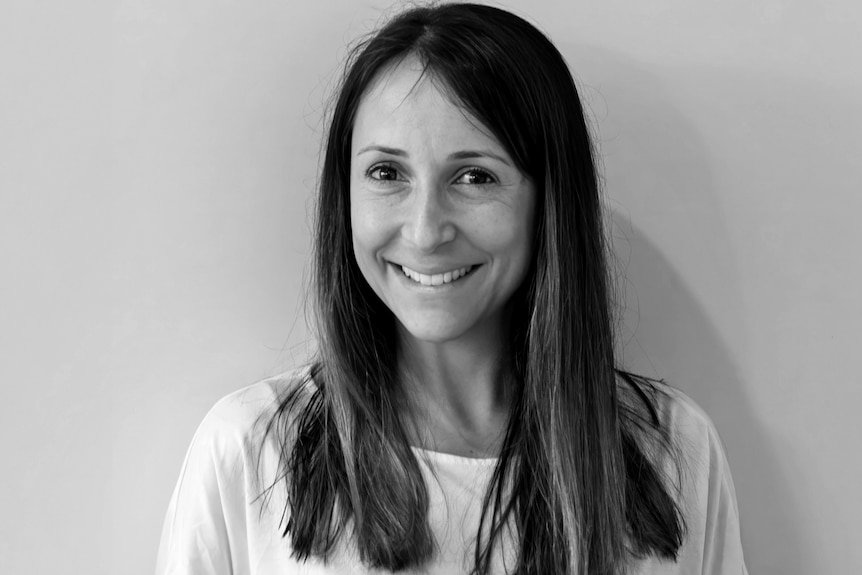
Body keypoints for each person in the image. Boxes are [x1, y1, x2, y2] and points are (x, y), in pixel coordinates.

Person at [155, 3, 748, 574]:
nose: (425, 231)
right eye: (387, 173)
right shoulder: (247, 452)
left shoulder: (674, 450)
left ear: (548, 203)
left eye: (475, 176)